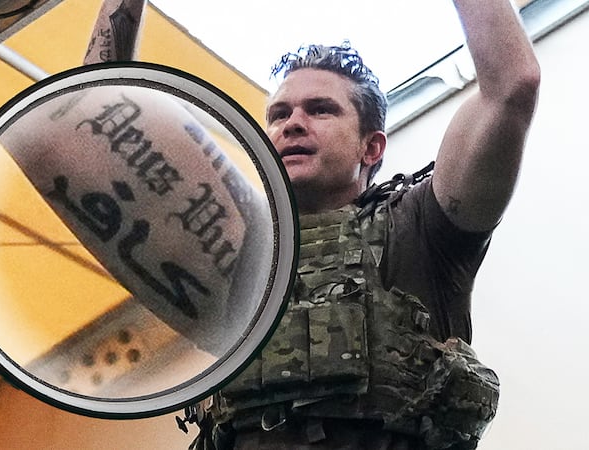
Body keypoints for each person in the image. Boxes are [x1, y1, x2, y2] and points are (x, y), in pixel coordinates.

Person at [185, 0, 540, 449]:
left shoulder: (421, 228)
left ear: (371, 148)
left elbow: (512, 86)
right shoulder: (231, 255)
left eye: (320, 110)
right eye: (279, 114)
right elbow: (84, 130)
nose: (293, 124)